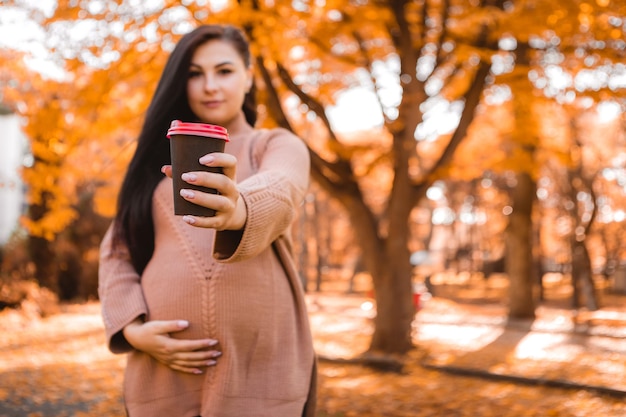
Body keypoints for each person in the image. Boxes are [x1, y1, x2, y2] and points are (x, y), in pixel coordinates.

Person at [98, 24, 316, 417]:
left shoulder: (277, 145)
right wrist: (133, 330)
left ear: (249, 76)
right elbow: (117, 253)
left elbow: (282, 190)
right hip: (163, 372)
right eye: (195, 74)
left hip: (262, 372)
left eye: (225, 70)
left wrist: (240, 210)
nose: (209, 86)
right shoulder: (154, 164)